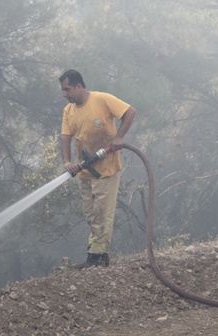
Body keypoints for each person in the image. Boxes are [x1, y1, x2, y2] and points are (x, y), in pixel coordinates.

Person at [59, 69, 137, 269]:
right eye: (63, 90)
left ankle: (98, 256)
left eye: (67, 89)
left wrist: (119, 137)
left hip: (107, 168)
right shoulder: (69, 111)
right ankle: (95, 252)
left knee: (102, 212)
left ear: (79, 86)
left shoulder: (102, 100)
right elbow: (66, 136)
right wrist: (67, 161)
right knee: (91, 214)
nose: (64, 94)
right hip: (85, 169)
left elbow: (130, 112)